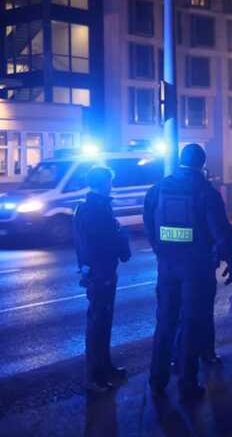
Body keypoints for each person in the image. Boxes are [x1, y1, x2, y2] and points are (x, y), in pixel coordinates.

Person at [144, 144, 232, 400]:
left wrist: (161, 251)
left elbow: (149, 226)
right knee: (192, 324)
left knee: (165, 322)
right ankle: (187, 382)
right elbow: (220, 232)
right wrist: (230, 260)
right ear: (202, 164)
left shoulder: (157, 189)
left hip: (168, 267)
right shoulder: (206, 192)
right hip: (197, 268)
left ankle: (157, 379)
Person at [74, 166, 131, 393]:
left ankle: (105, 367)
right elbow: (97, 243)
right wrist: (121, 238)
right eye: (110, 181)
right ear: (104, 183)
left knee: (104, 322)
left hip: (101, 271)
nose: (112, 185)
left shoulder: (94, 207)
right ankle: (95, 376)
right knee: (98, 324)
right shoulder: (94, 210)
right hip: (101, 273)